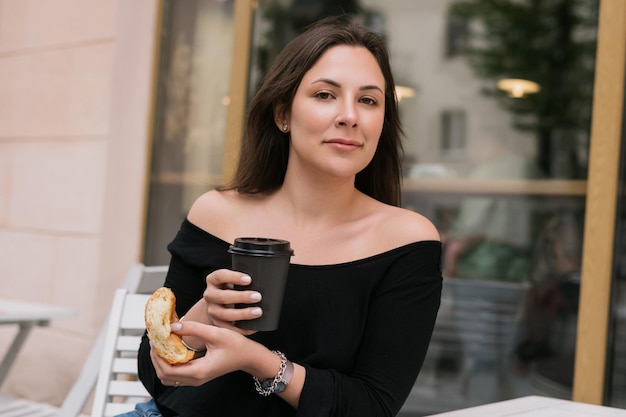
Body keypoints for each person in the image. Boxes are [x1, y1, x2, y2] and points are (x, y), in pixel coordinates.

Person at [134, 15, 442, 417]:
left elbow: (373, 406)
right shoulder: (217, 212)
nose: (350, 115)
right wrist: (208, 311)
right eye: (325, 95)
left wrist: (258, 360)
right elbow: (154, 374)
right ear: (282, 113)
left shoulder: (405, 240)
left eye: (368, 100)